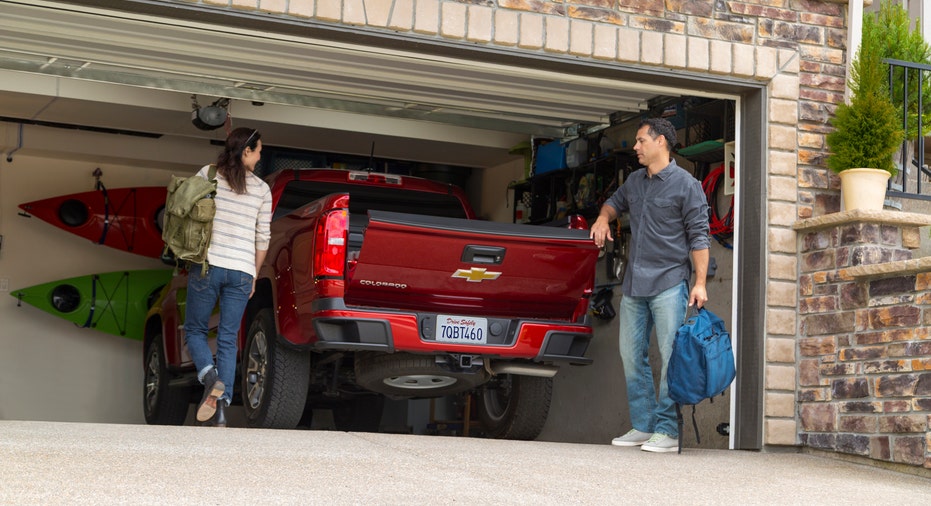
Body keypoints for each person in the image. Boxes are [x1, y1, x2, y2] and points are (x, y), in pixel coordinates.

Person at [589, 118, 710, 453]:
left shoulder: (688, 186)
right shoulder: (635, 182)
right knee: (631, 355)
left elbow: (700, 237)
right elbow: (614, 202)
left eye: (641, 141)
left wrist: (699, 283)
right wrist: (602, 218)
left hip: (670, 283)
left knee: (671, 358)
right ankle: (644, 425)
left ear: (660, 142)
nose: (636, 147)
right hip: (634, 284)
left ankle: (668, 432)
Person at [184, 127, 272, 427]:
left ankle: (210, 377)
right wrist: (255, 275)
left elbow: (186, 211)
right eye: (258, 150)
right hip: (241, 271)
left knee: (195, 331)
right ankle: (221, 411)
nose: (261, 157)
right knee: (227, 338)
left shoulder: (209, 175)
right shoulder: (262, 189)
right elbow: (263, 239)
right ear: (246, 151)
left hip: (208, 264)